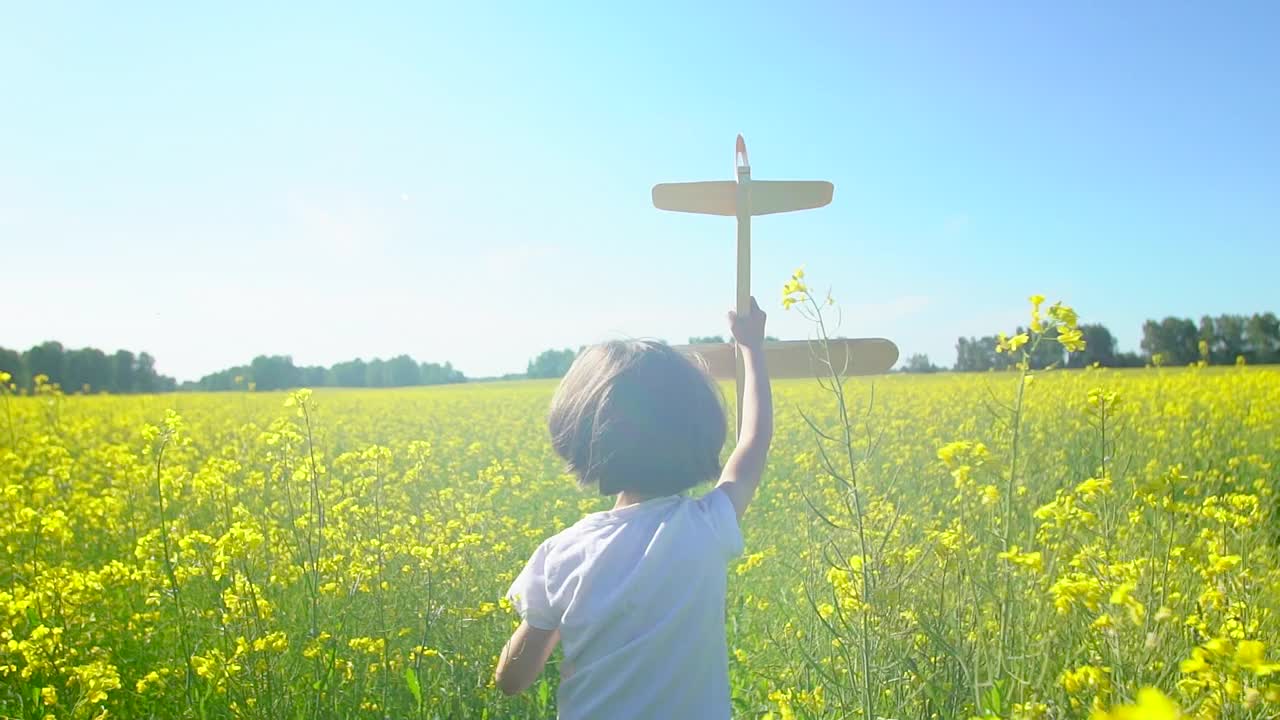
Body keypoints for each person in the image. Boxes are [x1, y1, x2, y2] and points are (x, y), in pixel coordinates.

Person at [494, 297, 774, 719]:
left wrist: (545, 617)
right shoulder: (706, 528)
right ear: (700, 435)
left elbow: (511, 681)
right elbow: (753, 443)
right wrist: (752, 349)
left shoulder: (561, 556)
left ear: (582, 436)